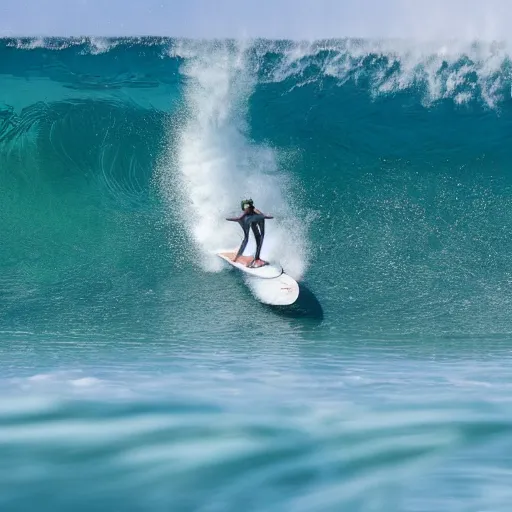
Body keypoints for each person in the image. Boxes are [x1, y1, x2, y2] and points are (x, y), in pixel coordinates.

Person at [226, 199, 273, 268]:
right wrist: (231, 219)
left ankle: (257, 258)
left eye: (247, 206)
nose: (246, 208)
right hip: (251, 221)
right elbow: (240, 217)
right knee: (246, 238)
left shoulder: (254, 210)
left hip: (259, 219)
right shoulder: (246, 213)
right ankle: (238, 257)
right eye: (245, 207)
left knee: (260, 237)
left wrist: (267, 216)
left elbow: (261, 214)